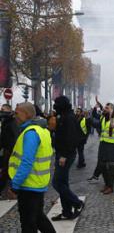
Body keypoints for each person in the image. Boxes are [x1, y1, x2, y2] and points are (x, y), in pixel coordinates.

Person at [8, 102, 55, 233]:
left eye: (17, 113)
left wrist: (15, 185)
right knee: (39, 218)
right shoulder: (42, 131)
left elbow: (26, 162)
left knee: (28, 224)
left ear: (26, 114)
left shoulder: (31, 133)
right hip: (38, 183)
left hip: (29, 185)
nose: (14, 116)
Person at [51, 96, 84, 221]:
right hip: (62, 153)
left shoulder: (68, 117)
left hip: (65, 154)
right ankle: (66, 212)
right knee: (63, 183)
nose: (54, 106)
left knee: (57, 183)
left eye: (56, 104)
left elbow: (70, 138)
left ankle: (77, 203)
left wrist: (64, 155)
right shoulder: (65, 115)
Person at [91, 99, 114, 194]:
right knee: (102, 165)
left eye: (107, 108)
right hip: (103, 144)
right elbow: (96, 123)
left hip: (112, 146)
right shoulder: (103, 118)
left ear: (112, 110)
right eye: (105, 108)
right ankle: (106, 184)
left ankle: (110, 186)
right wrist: (88, 117)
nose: (104, 109)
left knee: (110, 167)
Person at [0, 104, 18, 196]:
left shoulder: (11, 122)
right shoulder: (6, 121)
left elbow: (14, 137)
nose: (1, 111)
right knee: (5, 171)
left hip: (10, 150)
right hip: (6, 149)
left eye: (3, 110)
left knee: (6, 171)